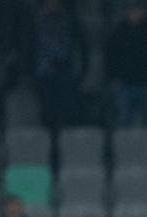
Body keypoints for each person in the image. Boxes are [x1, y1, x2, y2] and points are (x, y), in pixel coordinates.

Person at [105, 0, 147, 127]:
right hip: (124, 84)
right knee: (122, 122)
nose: (134, 13)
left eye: (137, 9)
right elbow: (110, 58)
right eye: (131, 10)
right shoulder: (118, 33)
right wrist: (113, 79)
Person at [33, 0, 87, 129]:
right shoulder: (35, 21)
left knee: (66, 109)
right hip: (43, 70)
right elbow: (29, 46)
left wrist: (81, 70)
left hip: (63, 68)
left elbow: (82, 44)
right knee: (47, 111)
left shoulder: (69, 20)